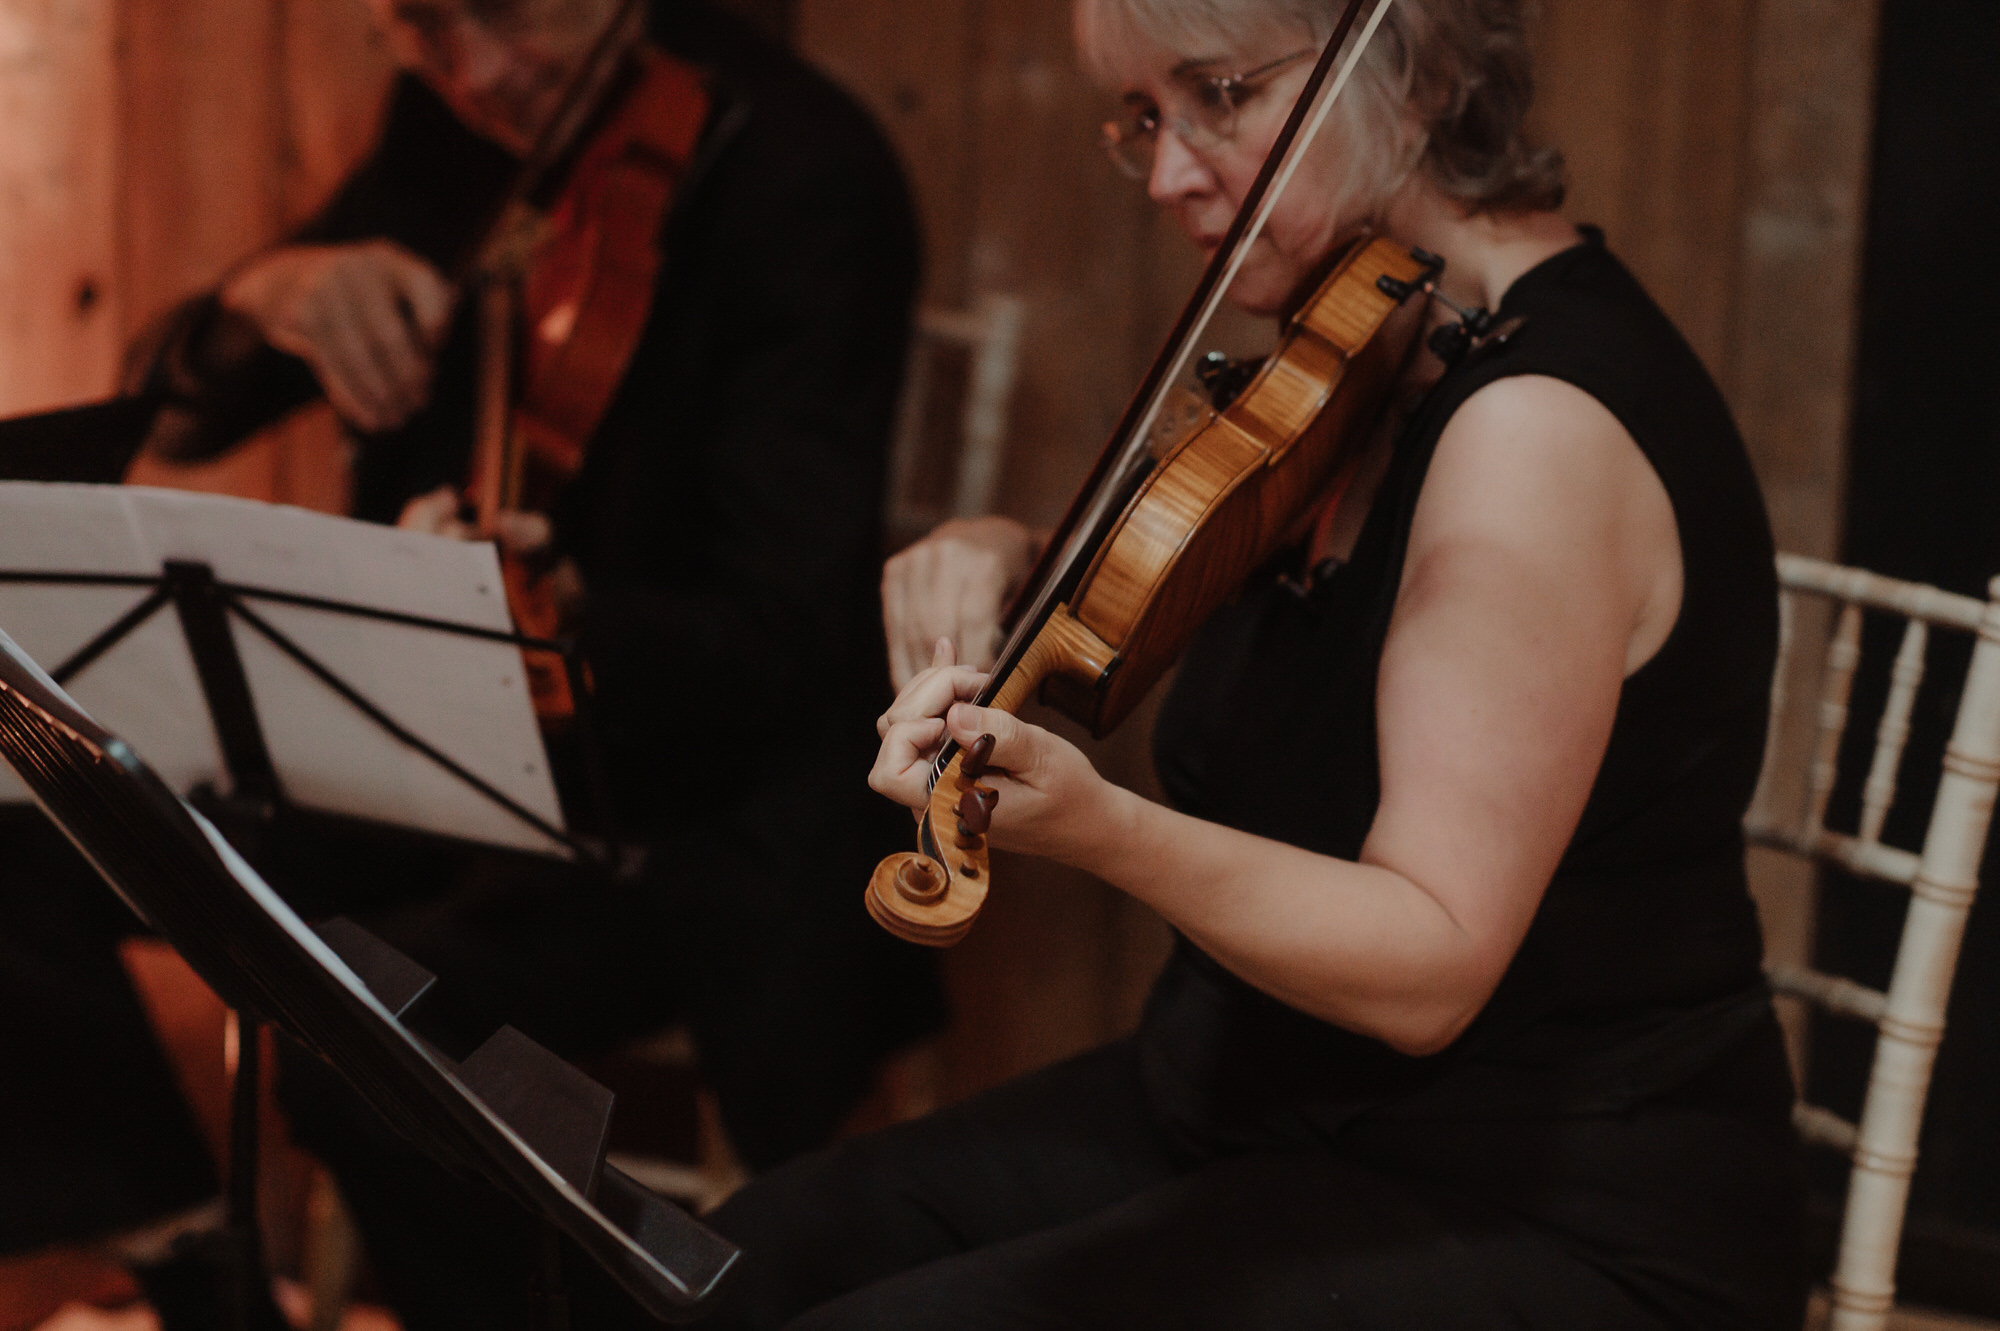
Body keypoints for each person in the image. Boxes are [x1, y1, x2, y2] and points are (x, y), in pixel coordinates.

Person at [692, 0, 1808, 1326]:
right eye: (1146, 117)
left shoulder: (1532, 434)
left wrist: (1105, 829)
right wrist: (1002, 549)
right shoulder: (1368, 340)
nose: (1170, 175)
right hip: (1255, 1107)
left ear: (1418, 70)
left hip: (1538, 1200)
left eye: (1221, 95)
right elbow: (1198, 599)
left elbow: (1430, 960)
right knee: (735, 1264)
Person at [0, 0, 941, 1326]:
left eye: (503, 12)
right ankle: (186, 1263)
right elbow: (192, 409)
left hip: (684, 816)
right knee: (30, 823)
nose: (476, 71)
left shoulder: (803, 174)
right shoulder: (453, 138)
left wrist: (550, 611)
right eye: (421, 28)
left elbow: (781, 642)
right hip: (434, 764)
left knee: (368, 1045)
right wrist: (255, 303)